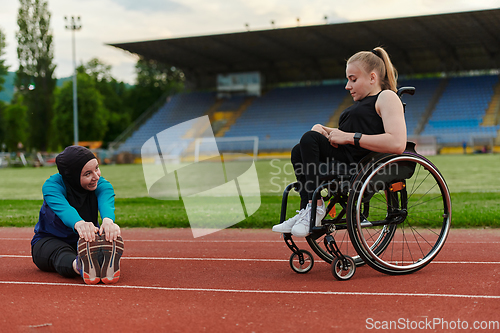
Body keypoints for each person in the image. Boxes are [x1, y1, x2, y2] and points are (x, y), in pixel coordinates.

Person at [272, 47, 407, 237]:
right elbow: (347, 135)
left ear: (372, 78)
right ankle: (307, 209)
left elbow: (397, 143)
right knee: (300, 149)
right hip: (346, 158)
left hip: (362, 165)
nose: (347, 85)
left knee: (309, 139)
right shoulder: (360, 104)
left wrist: (349, 137)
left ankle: (315, 207)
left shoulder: (386, 97)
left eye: (353, 79)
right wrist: (325, 131)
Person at [31, 145, 124, 284]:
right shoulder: (52, 186)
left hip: (87, 240)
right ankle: (80, 265)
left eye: (97, 168)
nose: (96, 176)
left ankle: (99, 259)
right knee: (60, 253)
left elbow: (106, 199)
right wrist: (79, 224)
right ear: (72, 176)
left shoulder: (101, 184)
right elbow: (64, 210)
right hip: (50, 239)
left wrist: (108, 221)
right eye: (88, 174)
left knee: (93, 245)